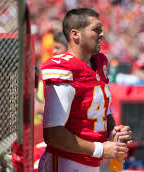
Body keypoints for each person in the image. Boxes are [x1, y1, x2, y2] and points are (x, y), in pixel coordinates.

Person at [38, 8, 132, 172]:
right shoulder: (64, 68)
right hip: (67, 162)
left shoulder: (99, 63)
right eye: (96, 30)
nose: (102, 34)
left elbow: (102, 109)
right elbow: (53, 134)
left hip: (91, 162)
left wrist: (112, 132)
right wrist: (101, 149)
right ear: (76, 35)